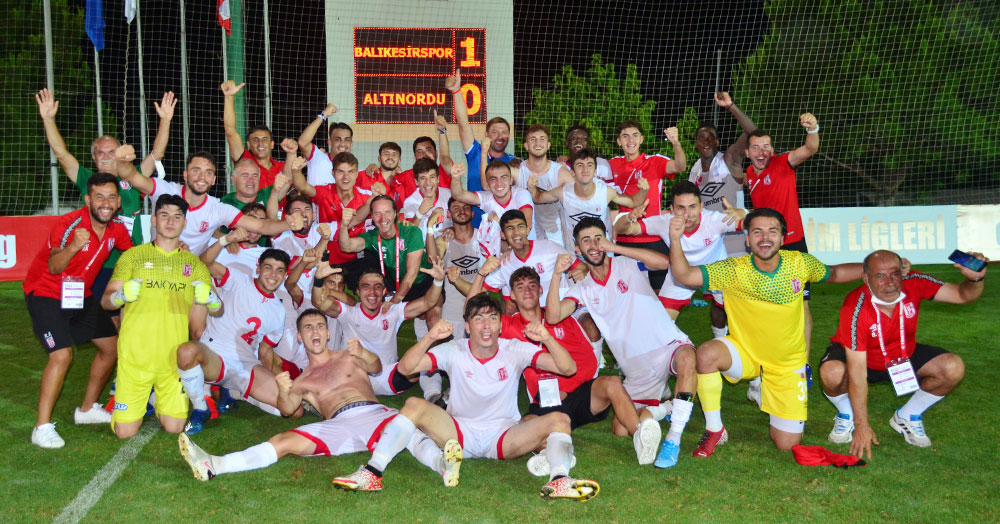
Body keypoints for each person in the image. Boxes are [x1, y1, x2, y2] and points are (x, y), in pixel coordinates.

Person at [332, 295, 600, 501]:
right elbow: (405, 368)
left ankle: (559, 479)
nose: (486, 326)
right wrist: (429, 337)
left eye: (493, 318)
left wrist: (547, 338)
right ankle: (372, 473)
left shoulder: (515, 349)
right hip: (458, 435)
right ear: (468, 326)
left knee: (560, 419)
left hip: (503, 436)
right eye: (479, 319)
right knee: (413, 405)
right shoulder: (453, 349)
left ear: (499, 325)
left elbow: (568, 368)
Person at [667, 208, 862, 455]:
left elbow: (834, 273)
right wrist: (675, 240)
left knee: (786, 444)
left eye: (772, 231)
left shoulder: (800, 263)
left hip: (786, 365)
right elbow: (684, 274)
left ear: (783, 237)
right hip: (745, 352)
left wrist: (869, 269)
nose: (765, 238)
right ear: (747, 239)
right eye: (757, 232)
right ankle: (714, 429)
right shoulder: (732, 269)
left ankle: (774, 398)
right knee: (705, 354)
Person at [178, 309, 451, 485]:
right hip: (338, 424)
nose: (315, 331)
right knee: (283, 441)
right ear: (300, 336)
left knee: (409, 430)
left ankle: (444, 465)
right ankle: (215, 464)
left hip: (372, 411)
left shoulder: (349, 355)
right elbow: (287, 409)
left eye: (319, 326)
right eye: (308, 328)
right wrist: (285, 391)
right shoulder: (303, 379)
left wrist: (363, 354)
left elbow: (377, 367)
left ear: (328, 331)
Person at [470, 266, 662, 468]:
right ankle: (547, 453)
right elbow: (472, 315)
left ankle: (640, 436)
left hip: (577, 396)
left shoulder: (561, 319)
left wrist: (566, 388)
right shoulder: (508, 325)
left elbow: (589, 362)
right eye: (520, 287)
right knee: (526, 424)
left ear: (541, 291)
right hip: (545, 401)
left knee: (612, 382)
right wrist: (481, 273)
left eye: (532, 286)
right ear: (512, 296)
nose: (527, 291)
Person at [546, 217, 697, 469]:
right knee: (620, 429)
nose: (593, 245)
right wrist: (555, 275)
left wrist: (614, 247)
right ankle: (665, 408)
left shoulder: (627, 263)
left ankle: (673, 439)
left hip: (666, 345)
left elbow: (662, 262)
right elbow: (552, 316)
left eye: (598, 238)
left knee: (688, 358)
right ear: (577, 249)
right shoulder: (582, 288)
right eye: (586, 241)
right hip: (637, 369)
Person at [819, 250, 986, 457]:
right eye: (879, 276)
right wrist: (862, 425)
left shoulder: (915, 281)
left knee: (952, 367)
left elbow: (963, 295)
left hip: (902, 356)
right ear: (865, 278)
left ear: (903, 272)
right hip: (863, 360)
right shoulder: (855, 307)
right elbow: (857, 374)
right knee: (832, 372)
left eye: (894, 274)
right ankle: (847, 414)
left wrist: (976, 278)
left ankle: (907, 416)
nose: (889, 282)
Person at [36, 89, 175, 318]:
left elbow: (157, 154)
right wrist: (48, 119)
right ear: (94, 157)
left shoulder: (134, 175)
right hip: (96, 263)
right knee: (104, 321)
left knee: (135, 318)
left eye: (112, 152)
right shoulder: (87, 180)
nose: (107, 156)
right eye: (101, 153)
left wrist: (165, 120)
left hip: (130, 259)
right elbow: (62, 154)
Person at [24, 172, 134, 448]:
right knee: (61, 356)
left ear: (119, 201)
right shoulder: (68, 223)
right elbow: (54, 267)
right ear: (88, 200)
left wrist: (170, 251)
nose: (105, 203)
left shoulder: (117, 229)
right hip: (46, 293)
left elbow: (135, 255)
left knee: (112, 347)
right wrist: (74, 245)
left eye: (111, 197)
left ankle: (86, 410)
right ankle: (41, 427)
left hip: (78, 296)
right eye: (99, 197)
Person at [101, 194, 222, 439]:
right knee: (124, 433)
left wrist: (211, 299)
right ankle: (137, 397)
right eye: (164, 215)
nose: (170, 221)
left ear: (184, 223)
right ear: (154, 220)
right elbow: (106, 301)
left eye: (177, 216)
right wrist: (120, 296)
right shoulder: (132, 257)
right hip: (135, 359)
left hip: (170, 362)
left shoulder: (194, 265)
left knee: (175, 427)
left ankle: (154, 399)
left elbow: (217, 311)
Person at [732, 113, 821, 364]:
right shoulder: (749, 174)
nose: (762, 151)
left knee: (801, 305)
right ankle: (768, 359)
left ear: (772, 150)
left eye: (766, 146)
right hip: (764, 248)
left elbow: (810, 148)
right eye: (756, 147)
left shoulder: (783, 162)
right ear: (748, 153)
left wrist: (813, 129)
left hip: (793, 246)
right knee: (766, 304)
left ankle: (802, 365)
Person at [175, 246, 293, 433]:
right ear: (258, 267)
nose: (273, 275)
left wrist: (276, 380)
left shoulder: (278, 311)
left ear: (285, 275)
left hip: (245, 365)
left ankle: (231, 392)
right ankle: (200, 408)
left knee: (292, 409)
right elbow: (205, 262)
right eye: (268, 267)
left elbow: (265, 351)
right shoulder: (239, 280)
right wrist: (225, 240)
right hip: (215, 355)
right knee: (186, 351)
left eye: (279, 270)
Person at [116, 148, 301, 254]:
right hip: (155, 264)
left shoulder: (218, 209)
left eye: (208, 172)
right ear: (186, 174)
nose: (201, 177)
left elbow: (261, 227)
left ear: (213, 180)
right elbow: (132, 176)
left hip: (191, 272)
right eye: (196, 170)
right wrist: (122, 161)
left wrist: (288, 223)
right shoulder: (168, 190)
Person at [614, 181, 745, 330]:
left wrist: (744, 214)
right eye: (680, 208)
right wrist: (628, 218)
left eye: (692, 207)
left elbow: (752, 224)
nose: (687, 214)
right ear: (671, 210)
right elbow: (622, 229)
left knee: (739, 316)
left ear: (701, 206)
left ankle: (722, 341)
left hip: (716, 273)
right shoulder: (664, 222)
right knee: (661, 328)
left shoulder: (714, 220)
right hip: (679, 276)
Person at [311, 261, 445, 397]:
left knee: (422, 361)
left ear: (384, 291)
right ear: (358, 291)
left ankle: (433, 395)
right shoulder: (348, 313)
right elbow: (318, 302)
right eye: (366, 286)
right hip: (354, 377)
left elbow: (428, 302)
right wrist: (317, 280)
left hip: (388, 377)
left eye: (378, 286)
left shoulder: (393, 311)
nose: (372, 292)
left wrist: (438, 281)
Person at [609, 121, 687, 292]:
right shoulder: (612, 165)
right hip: (625, 238)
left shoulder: (654, 161)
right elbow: (587, 172)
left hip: (653, 237)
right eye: (625, 136)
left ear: (642, 139)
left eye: (635, 135)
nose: (631, 140)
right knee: (625, 293)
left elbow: (680, 166)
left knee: (659, 293)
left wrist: (675, 142)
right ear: (618, 141)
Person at [534, 148, 647, 248]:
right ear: (572, 172)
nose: (585, 169)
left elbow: (633, 202)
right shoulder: (563, 192)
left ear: (595, 171)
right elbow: (538, 197)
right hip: (575, 253)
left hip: (603, 251)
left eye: (589, 165)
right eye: (580, 165)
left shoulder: (605, 192)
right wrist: (531, 186)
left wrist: (644, 190)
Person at [446, 71, 516, 225]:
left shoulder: (514, 162)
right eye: (495, 132)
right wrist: (457, 91)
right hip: (475, 226)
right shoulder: (475, 152)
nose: (500, 136)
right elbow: (463, 123)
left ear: (509, 136)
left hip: (503, 228)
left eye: (504, 132)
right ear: (486, 134)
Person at [339, 196, 437, 306]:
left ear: (395, 213)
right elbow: (346, 247)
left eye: (387, 212)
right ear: (371, 216)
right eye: (377, 214)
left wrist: (392, 303)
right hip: (399, 283)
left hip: (424, 280)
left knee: (431, 318)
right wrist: (343, 225)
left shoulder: (412, 232)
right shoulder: (372, 237)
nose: (383, 218)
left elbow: (412, 273)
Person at [290, 150, 374, 269]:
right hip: (326, 260)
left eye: (351, 172)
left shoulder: (367, 197)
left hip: (358, 261)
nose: (346, 177)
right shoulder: (324, 192)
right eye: (340, 172)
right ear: (333, 173)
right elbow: (303, 187)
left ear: (356, 174)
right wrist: (296, 171)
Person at [450, 162, 534, 245]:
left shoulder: (522, 194)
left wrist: (499, 222)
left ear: (511, 180)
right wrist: (455, 178)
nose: (499, 183)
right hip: (505, 252)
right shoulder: (486, 197)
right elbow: (459, 195)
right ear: (487, 184)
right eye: (493, 179)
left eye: (503, 177)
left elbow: (525, 228)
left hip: (529, 249)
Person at [220, 80, 284, 188]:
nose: (260, 143)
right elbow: (230, 131)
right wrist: (229, 97)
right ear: (249, 145)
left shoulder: (282, 168)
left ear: (272, 144)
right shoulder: (245, 160)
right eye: (255, 140)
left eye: (265, 139)